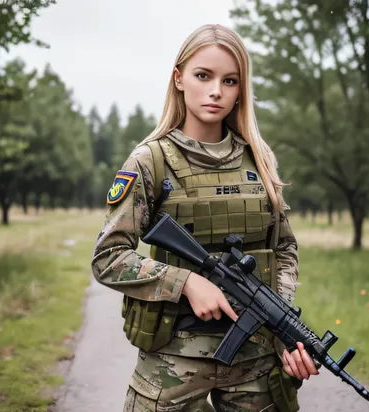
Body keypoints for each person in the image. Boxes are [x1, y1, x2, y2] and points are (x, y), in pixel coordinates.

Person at [92, 23, 318, 412]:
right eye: (203, 76)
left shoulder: (258, 160)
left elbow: (283, 249)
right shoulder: (151, 161)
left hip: (255, 365)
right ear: (178, 79)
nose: (216, 90)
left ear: (240, 90)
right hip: (172, 364)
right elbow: (109, 258)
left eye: (230, 80)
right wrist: (186, 283)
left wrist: (283, 328)